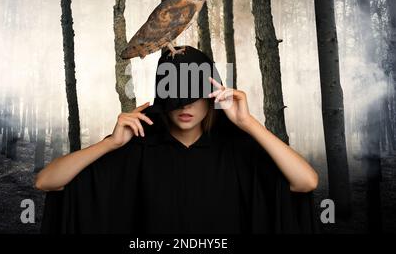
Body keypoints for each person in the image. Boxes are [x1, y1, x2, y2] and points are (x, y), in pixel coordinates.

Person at [37, 46, 319, 234]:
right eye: (177, 97)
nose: (185, 107)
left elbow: (306, 182)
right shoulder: (138, 147)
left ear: (212, 98)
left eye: (194, 96)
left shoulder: (237, 151)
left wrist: (249, 124)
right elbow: (47, 181)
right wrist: (109, 143)